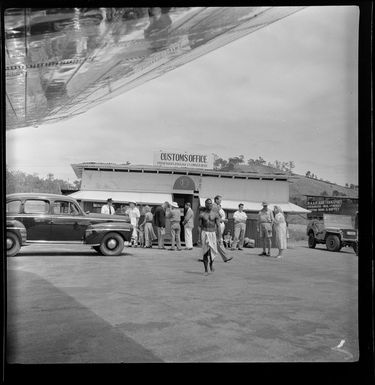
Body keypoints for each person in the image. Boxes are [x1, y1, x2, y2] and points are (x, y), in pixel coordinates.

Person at [198, 198, 221, 276]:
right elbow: (199, 227)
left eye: (211, 203)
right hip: (204, 232)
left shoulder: (215, 214)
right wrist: (199, 238)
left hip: (212, 233)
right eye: (208, 203)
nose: (210, 205)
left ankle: (211, 264)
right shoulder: (202, 214)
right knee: (205, 252)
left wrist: (219, 237)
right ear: (205, 204)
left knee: (212, 252)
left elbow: (218, 226)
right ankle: (206, 270)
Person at [212, 195, 233, 262]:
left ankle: (225, 257)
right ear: (216, 200)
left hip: (215, 226)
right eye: (220, 200)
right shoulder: (215, 207)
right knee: (219, 241)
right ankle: (225, 257)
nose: (221, 201)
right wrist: (223, 220)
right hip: (215, 227)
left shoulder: (215, 206)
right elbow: (215, 218)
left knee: (215, 242)